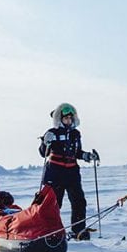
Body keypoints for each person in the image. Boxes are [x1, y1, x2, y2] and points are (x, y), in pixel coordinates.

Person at [39, 103, 99, 240]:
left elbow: (77, 152)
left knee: (79, 201)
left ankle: (79, 231)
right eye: (66, 118)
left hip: (72, 172)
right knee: (53, 203)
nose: (69, 121)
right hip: (55, 172)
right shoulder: (52, 133)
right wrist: (44, 142)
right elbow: (43, 153)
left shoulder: (75, 134)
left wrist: (87, 156)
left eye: (71, 118)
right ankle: (50, 232)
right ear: (60, 119)